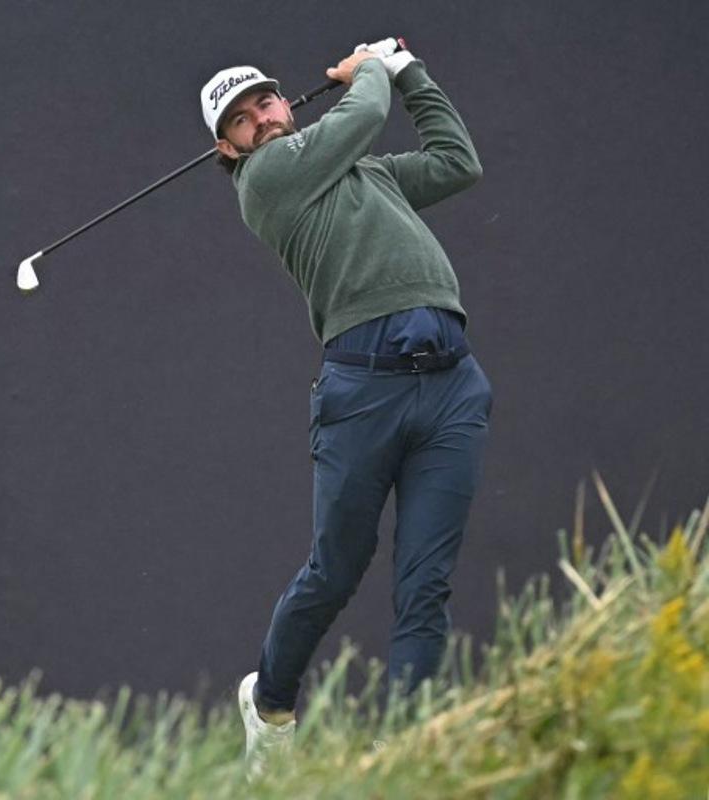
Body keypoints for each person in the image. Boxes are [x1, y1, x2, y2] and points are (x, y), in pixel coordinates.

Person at [198, 39, 493, 778]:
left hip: (452, 385)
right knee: (336, 570)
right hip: (364, 394)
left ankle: (410, 750)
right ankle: (269, 702)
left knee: (425, 582)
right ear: (228, 150)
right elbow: (362, 115)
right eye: (240, 120)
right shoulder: (266, 183)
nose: (260, 120)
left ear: (284, 102)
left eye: (264, 101)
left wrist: (413, 74)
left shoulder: (366, 174)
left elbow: (459, 161)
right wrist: (371, 71)